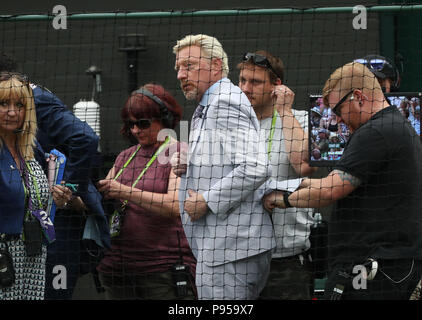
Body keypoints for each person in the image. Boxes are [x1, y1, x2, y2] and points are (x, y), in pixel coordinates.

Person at [263, 62, 422, 300]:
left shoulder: (375, 132)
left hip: (376, 268)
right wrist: (300, 185)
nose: (337, 120)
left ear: (358, 97)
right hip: (386, 264)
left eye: (338, 110)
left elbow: (329, 191)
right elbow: (338, 182)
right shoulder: (394, 126)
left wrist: (281, 199)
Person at [172, 34, 275, 300]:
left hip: (230, 250)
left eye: (190, 65)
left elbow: (255, 167)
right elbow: (228, 161)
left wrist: (206, 200)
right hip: (223, 248)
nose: (182, 74)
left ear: (216, 66)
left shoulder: (224, 103)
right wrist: (190, 164)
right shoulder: (207, 105)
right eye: (179, 68)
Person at [0, 52, 110, 300]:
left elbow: (85, 138)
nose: (12, 110)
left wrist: (70, 189)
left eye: (18, 105)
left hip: (48, 234)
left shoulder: (36, 102)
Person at [96, 83, 196, 300]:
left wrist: (123, 191)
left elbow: (174, 206)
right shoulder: (125, 156)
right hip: (118, 268)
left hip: (161, 269)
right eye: (130, 124)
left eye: (142, 123)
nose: (135, 130)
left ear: (165, 119)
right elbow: (106, 193)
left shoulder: (178, 151)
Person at [237, 50, 317, 299]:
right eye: (242, 80)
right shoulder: (232, 124)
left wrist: (284, 111)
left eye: (256, 82)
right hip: (239, 257)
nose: (246, 88)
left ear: (277, 86)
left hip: (285, 258)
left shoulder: (301, 119)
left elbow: (303, 166)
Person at [0, 72, 72, 300]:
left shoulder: (32, 152)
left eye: (19, 105)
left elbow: (37, 198)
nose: (12, 112)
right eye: (3, 104)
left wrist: (60, 198)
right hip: (4, 256)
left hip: (33, 253)